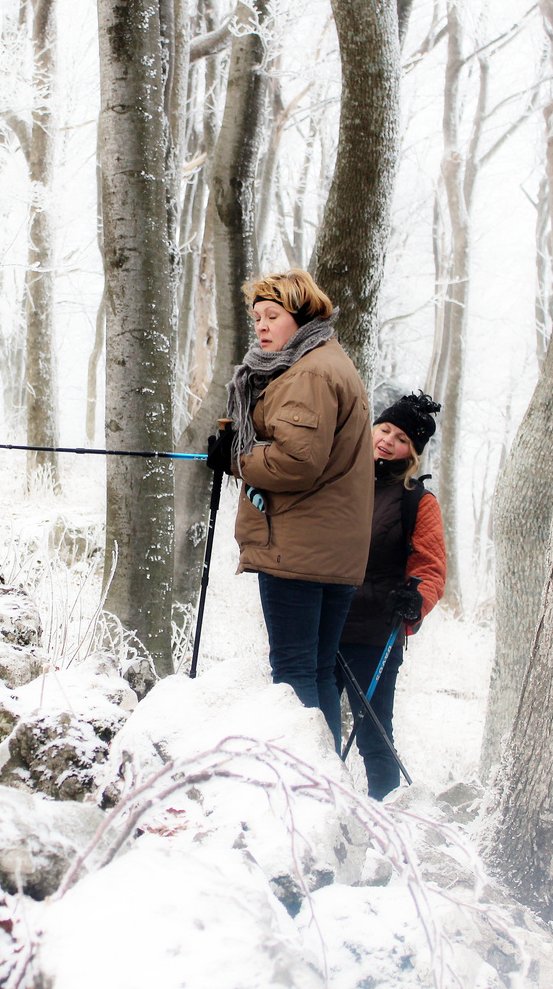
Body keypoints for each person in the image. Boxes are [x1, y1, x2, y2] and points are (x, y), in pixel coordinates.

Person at [205, 269, 373, 752]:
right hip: (329, 547)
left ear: (301, 317)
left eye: (272, 315)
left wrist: (235, 456)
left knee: (295, 671)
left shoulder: (310, 372)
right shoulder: (325, 362)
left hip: (298, 546)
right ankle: (325, 785)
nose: (261, 325)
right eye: (257, 316)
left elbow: (296, 461)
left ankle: (304, 783)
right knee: (316, 670)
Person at [334, 391, 447, 800]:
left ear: (412, 452)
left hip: (375, 633)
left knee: (374, 735)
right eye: (384, 429)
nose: (387, 440)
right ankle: (319, 815)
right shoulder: (339, 477)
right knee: (313, 729)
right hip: (323, 622)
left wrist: (414, 600)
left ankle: (385, 817)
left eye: (401, 438)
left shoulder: (418, 499)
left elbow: (430, 567)